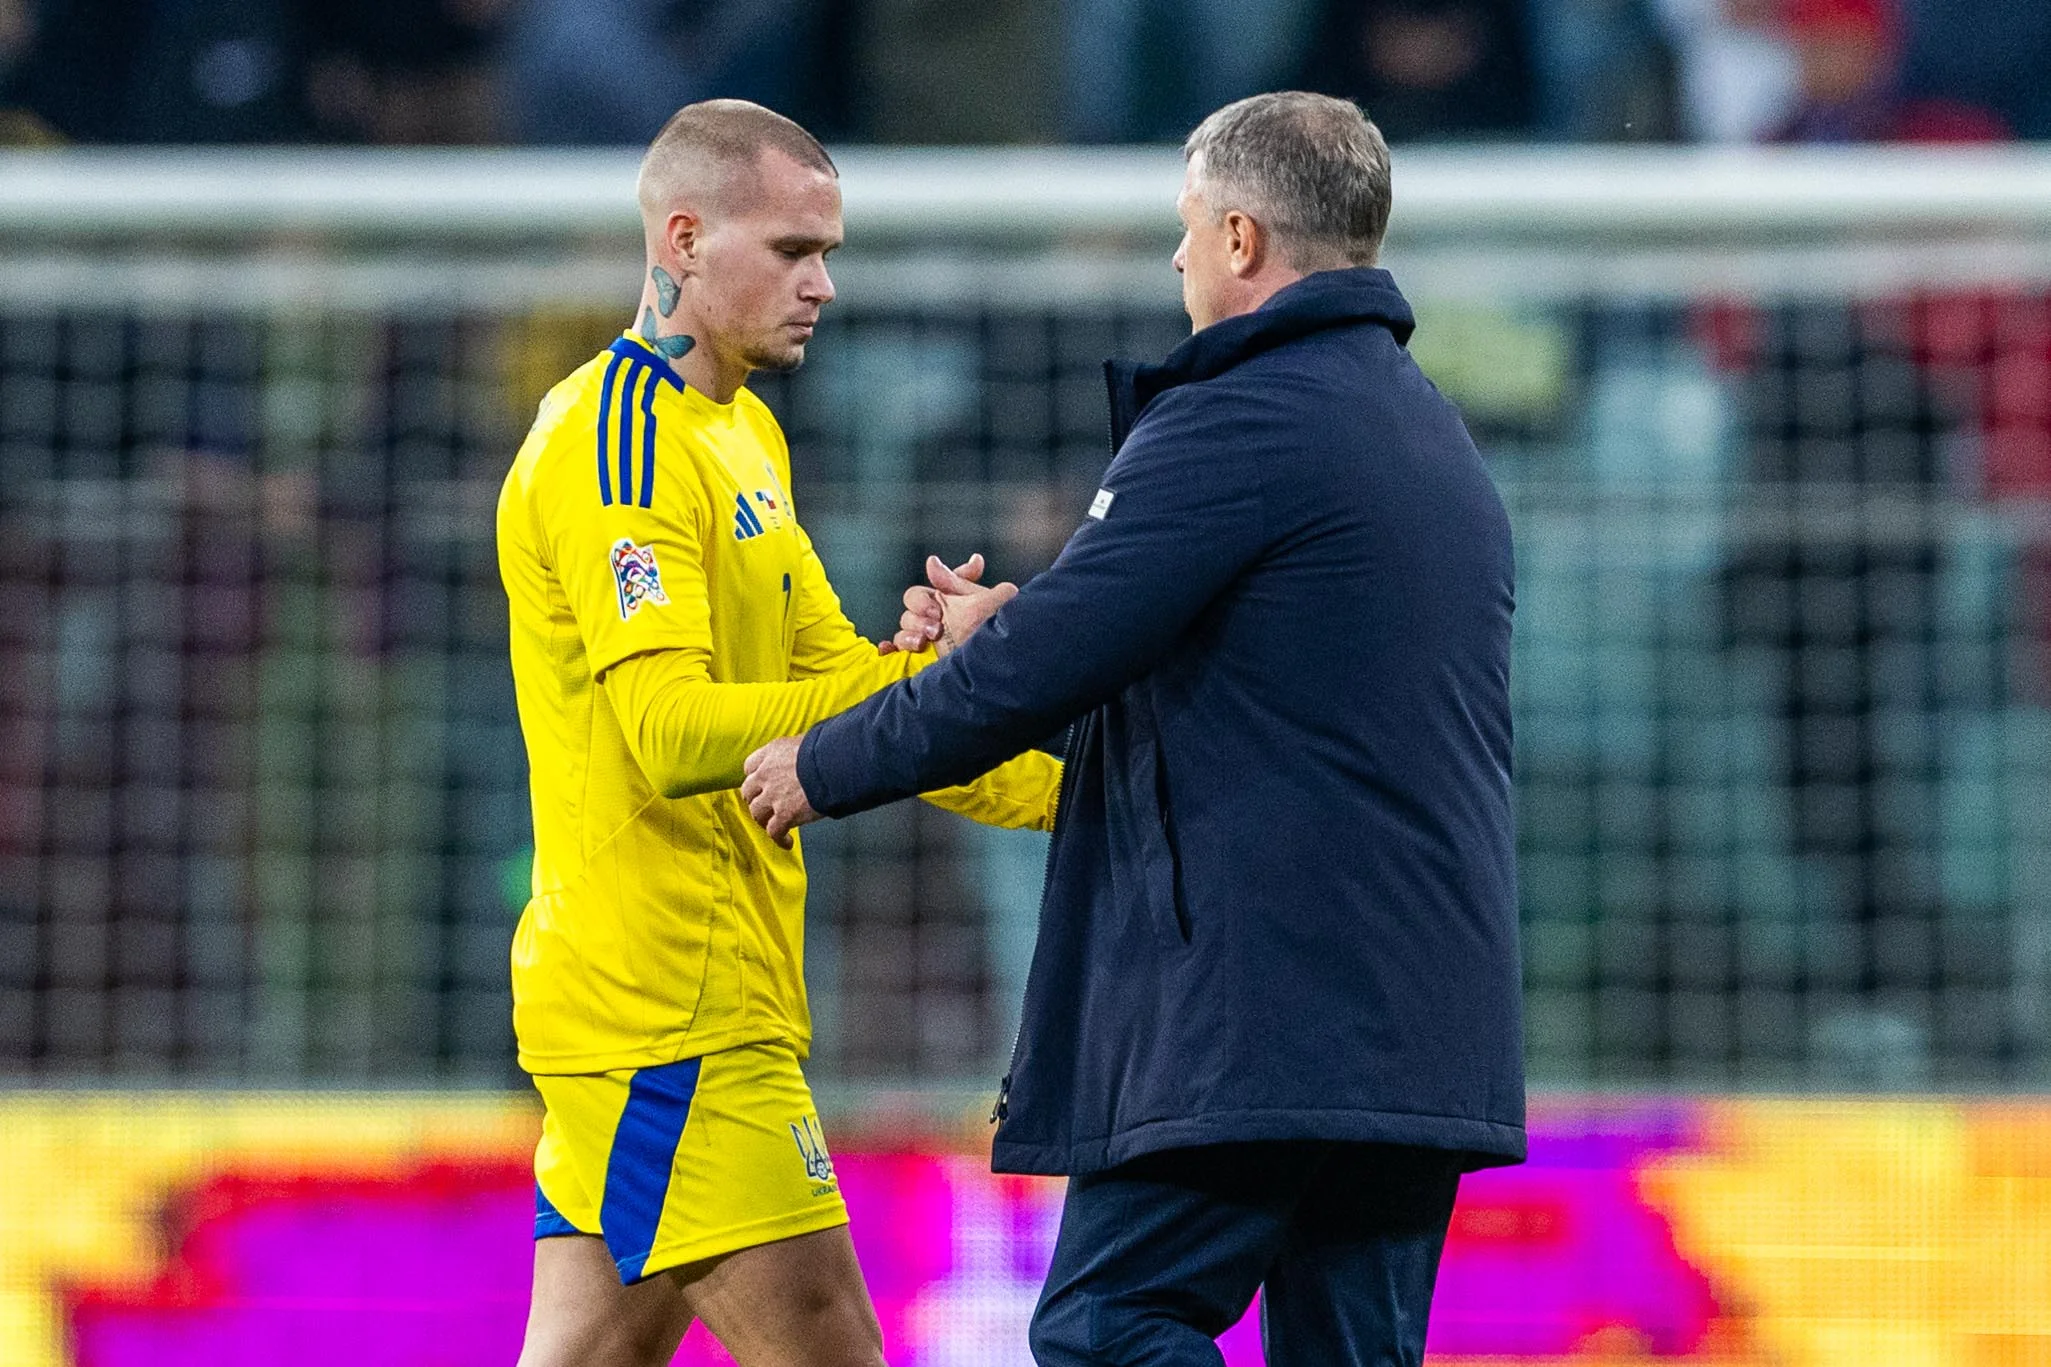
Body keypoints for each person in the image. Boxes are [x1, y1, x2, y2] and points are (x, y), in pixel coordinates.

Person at [742, 91, 1523, 1366]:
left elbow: (1043, 672)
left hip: (1266, 1018)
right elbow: (1247, 697)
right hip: (1419, 1030)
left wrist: (826, 762)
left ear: (1236, 237)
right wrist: (1015, 632)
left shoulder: (1241, 413)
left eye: (1180, 228)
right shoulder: (1425, 434)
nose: (1171, 259)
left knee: (1110, 1326)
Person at [496, 99, 1060, 1367]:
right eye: (792, 251)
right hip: (670, 1013)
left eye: (830, 256)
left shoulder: (740, 434)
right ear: (683, 241)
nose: (821, 286)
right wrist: (915, 688)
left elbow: (849, 692)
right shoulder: (614, 446)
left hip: (683, 1000)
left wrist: (1067, 783)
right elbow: (672, 728)